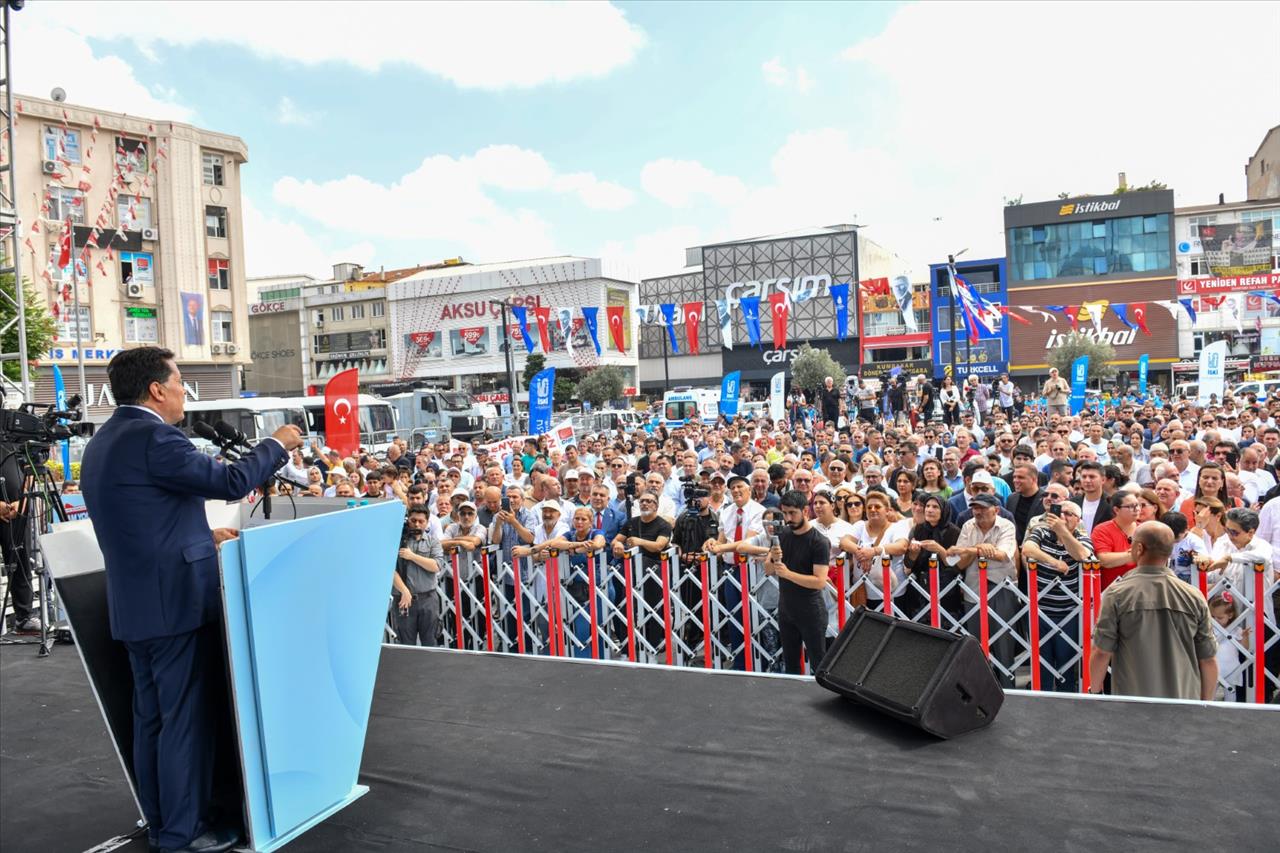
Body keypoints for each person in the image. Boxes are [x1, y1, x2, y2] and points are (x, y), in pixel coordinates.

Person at [80, 347, 303, 853]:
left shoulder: (104, 440)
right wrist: (276, 443)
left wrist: (205, 538)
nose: (185, 390)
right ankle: (183, 834)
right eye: (180, 381)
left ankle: (162, 825)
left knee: (153, 721)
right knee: (183, 723)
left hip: (135, 605)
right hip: (175, 606)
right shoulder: (155, 436)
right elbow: (231, 480)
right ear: (157, 389)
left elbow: (146, 519)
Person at [1089, 521, 1218, 701]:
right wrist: (1206, 702)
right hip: (1184, 699)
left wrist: (1094, 692)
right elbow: (1208, 658)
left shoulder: (1117, 593)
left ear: (1139, 548)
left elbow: (1101, 651)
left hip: (1133, 700)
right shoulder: (1193, 595)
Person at [1021, 501, 1094, 692]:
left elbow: (1082, 555)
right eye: (1060, 512)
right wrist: (1054, 562)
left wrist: (1063, 532)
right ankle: (1040, 701)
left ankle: (1067, 702)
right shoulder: (1042, 531)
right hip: (1040, 610)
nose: (1064, 516)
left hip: (1068, 612)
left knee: (1066, 664)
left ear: (1078, 520)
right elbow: (1028, 549)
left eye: (1069, 514)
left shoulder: (1082, 537)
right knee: (1041, 663)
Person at [950, 492, 1019, 687]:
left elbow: (1003, 554)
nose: (977, 511)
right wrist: (980, 549)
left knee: (1003, 642)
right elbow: (959, 562)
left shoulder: (1006, 525)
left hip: (1001, 586)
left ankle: (1008, 688)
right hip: (973, 587)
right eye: (974, 507)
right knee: (977, 642)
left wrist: (972, 549)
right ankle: (979, 688)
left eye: (982, 507)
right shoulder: (967, 525)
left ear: (996, 510)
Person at [764, 490, 830, 675]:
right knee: (791, 664)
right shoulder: (783, 534)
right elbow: (768, 570)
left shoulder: (819, 542)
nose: (788, 518)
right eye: (785, 513)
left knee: (819, 664)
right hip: (786, 609)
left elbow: (819, 581)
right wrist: (772, 558)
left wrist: (787, 573)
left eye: (792, 513)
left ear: (806, 512)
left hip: (811, 611)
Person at [392, 506, 446, 647]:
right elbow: (390, 570)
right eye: (413, 520)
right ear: (407, 520)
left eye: (421, 521)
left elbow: (436, 565)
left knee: (430, 642)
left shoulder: (433, 542)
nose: (416, 524)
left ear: (427, 522)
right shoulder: (396, 541)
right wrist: (404, 591)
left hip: (427, 599)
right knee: (406, 643)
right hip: (403, 600)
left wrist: (412, 556)